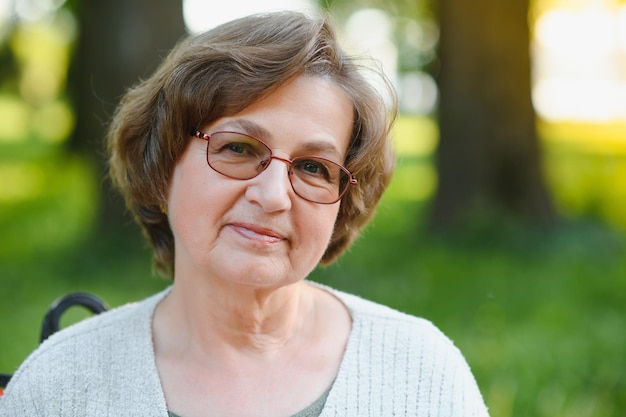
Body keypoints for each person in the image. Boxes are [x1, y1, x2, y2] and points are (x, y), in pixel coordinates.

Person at [0, 11, 489, 417]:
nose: (274, 195)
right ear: (164, 161)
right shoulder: (59, 388)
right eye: (237, 147)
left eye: (314, 167)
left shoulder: (424, 378)